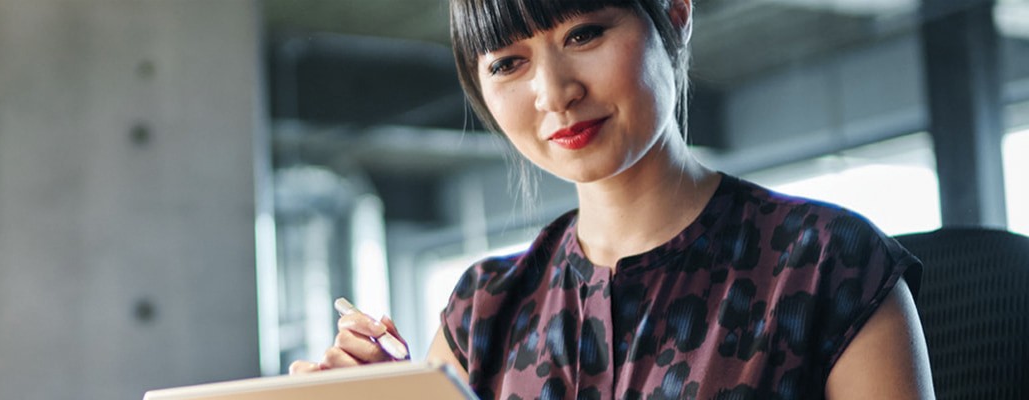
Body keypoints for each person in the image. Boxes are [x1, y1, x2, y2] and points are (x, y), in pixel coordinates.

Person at [291, 0, 935, 398]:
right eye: (508, 63)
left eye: (584, 33)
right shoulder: (481, 312)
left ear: (674, 11)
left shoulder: (829, 264)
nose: (554, 91)